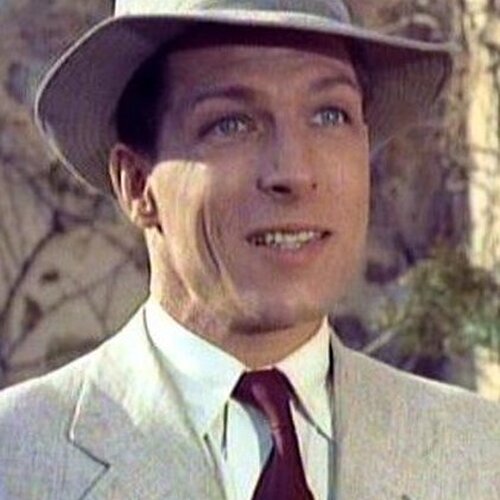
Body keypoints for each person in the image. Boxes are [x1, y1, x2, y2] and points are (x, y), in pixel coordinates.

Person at [1, 0, 499, 498]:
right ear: (136, 184)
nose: (295, 173)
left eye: (330, 114)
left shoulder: (478, 453)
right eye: (231, 124)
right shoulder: (18, 460)